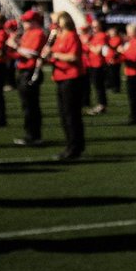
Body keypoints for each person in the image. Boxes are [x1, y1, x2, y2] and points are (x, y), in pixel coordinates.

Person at [46, 12, 86, 162]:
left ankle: (74, 147)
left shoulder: (71, 36)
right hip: (61, 77)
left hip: (71, 78)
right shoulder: (59, 36)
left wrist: (55, 55)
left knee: (71, 115)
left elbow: (74, 57)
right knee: (64, 115)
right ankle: (72, 145)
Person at [11, 9, 47, 146]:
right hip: (23, 70)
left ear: (34, 21)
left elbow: (31, 53)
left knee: (31, 106)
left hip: (30, 71)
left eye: (27, 21)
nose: (24, 23)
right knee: (27, 105)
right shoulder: (28, 33)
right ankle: (31, 134)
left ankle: (33, 135)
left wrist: (15, 46)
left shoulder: (37, 34)